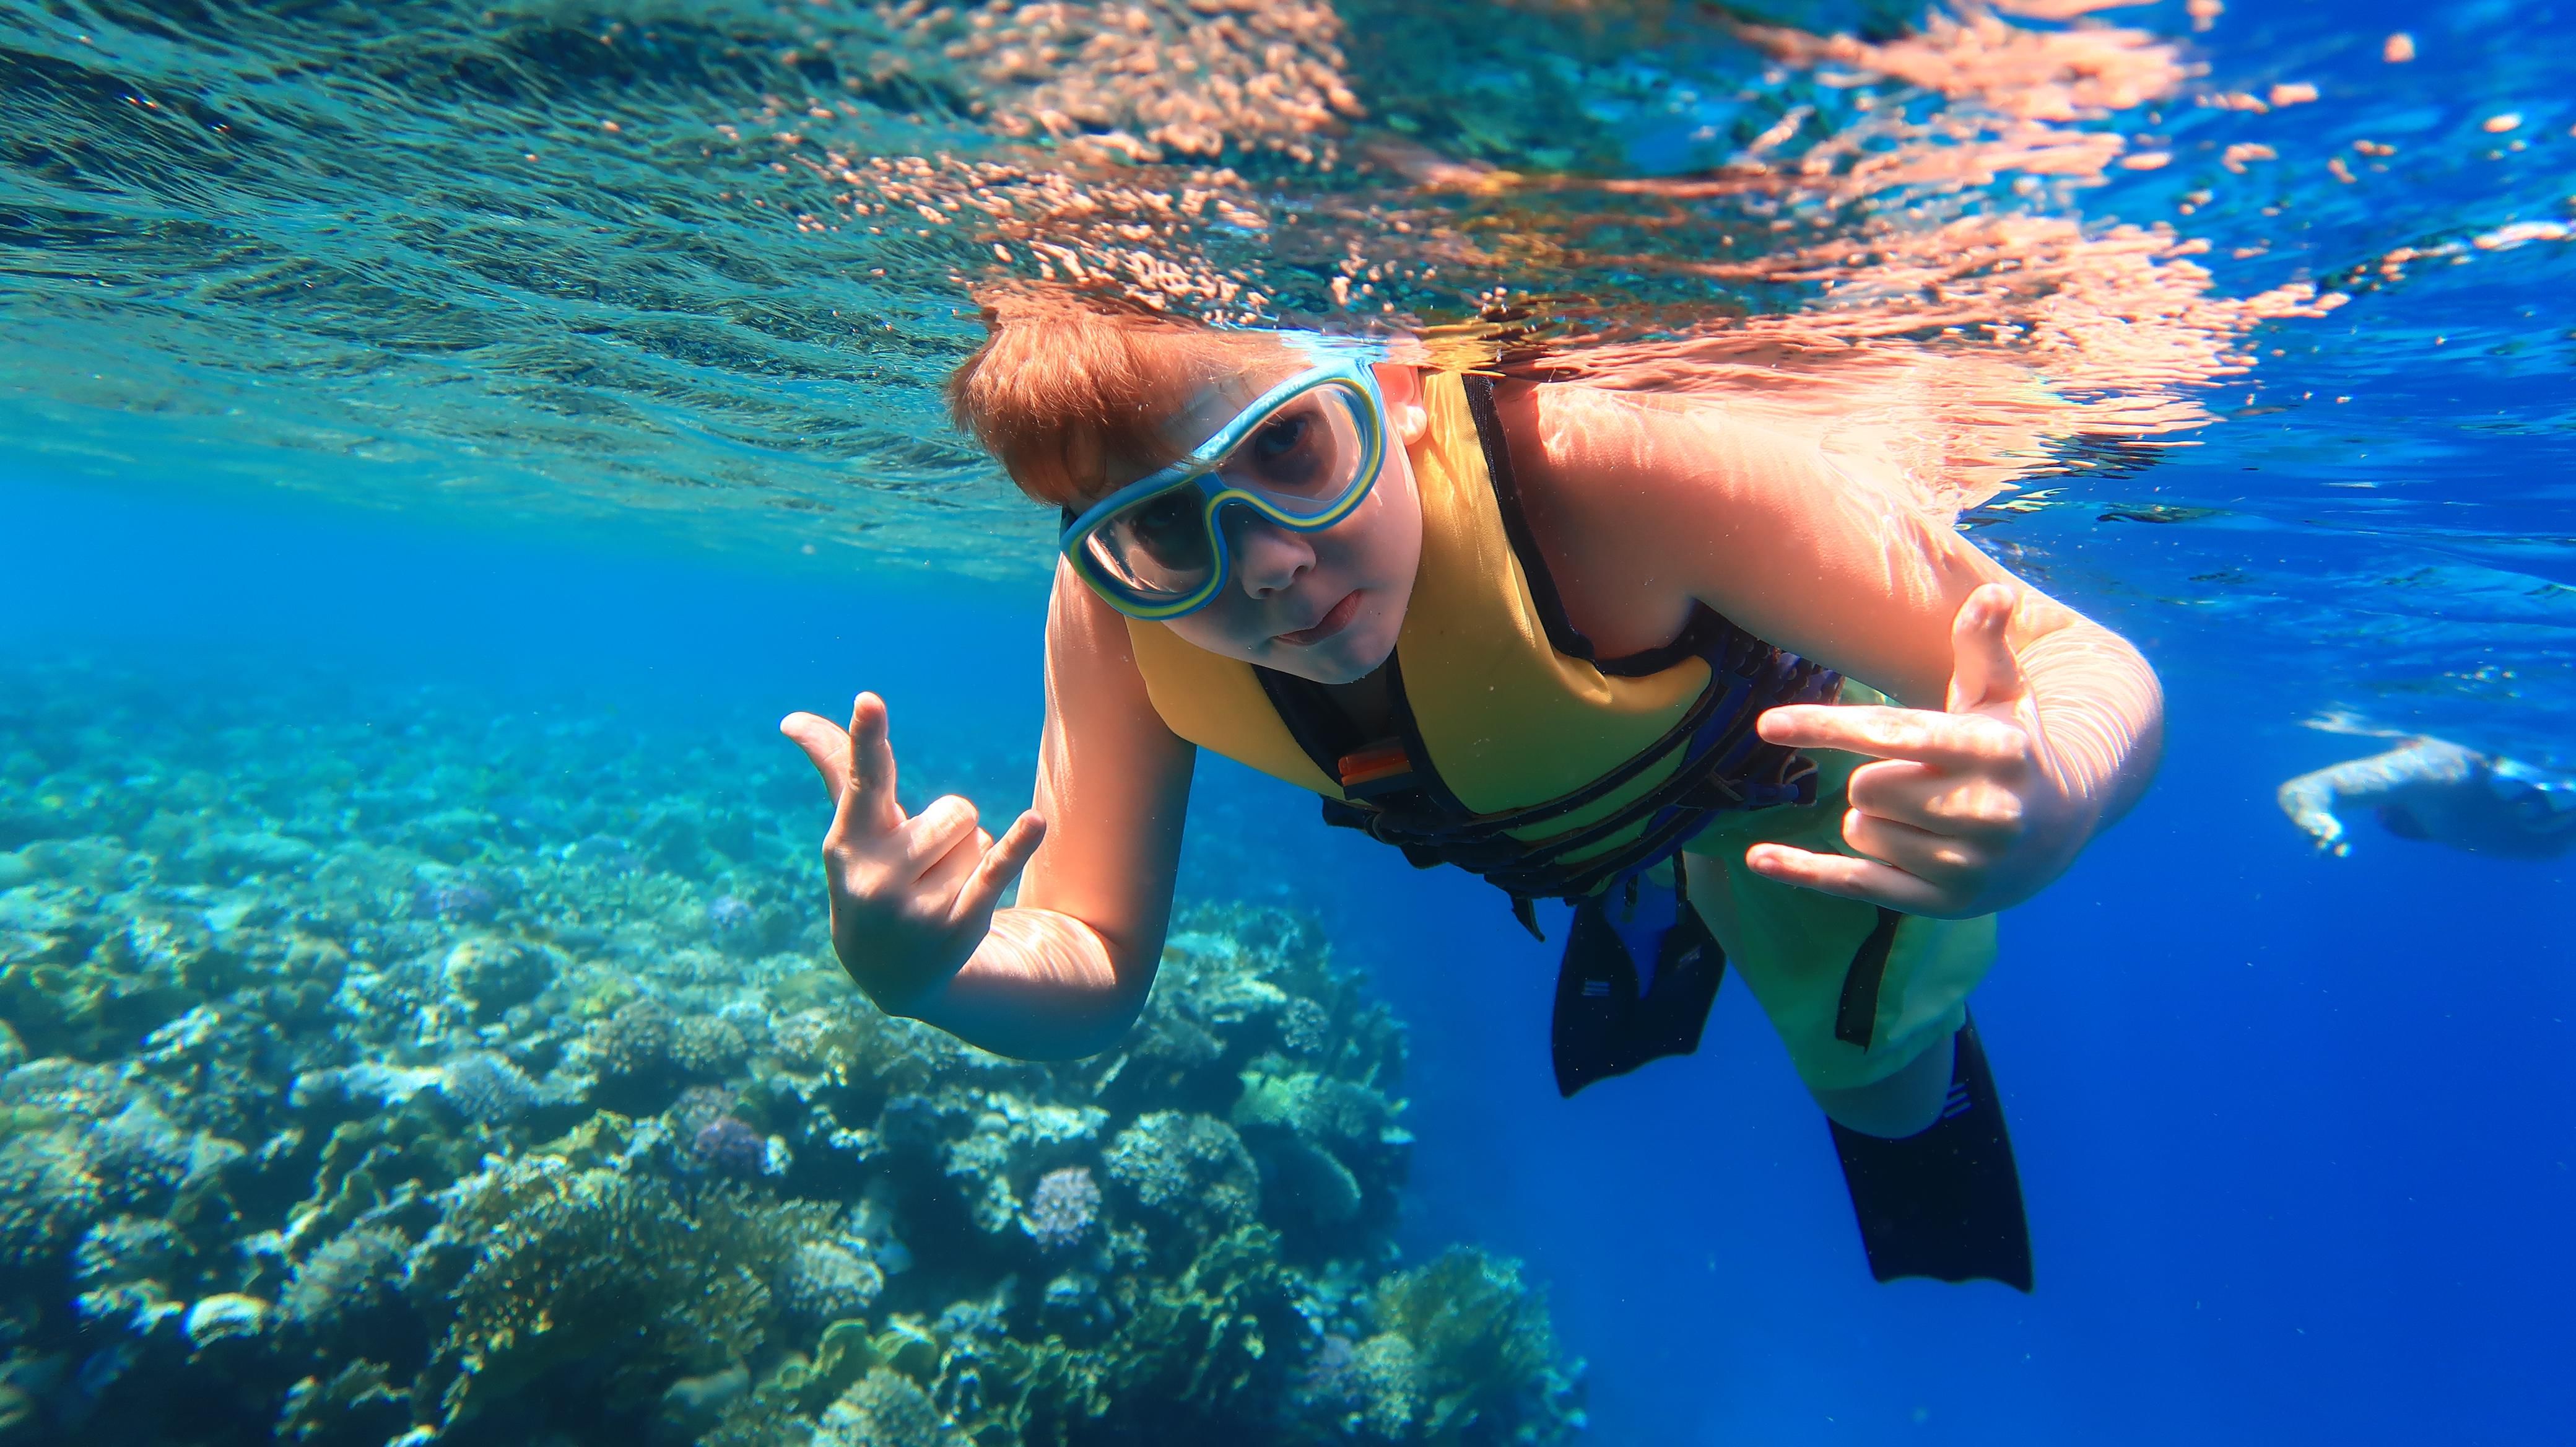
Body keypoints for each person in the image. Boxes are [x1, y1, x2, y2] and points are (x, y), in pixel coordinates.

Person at [781, 292, 2165, 1290]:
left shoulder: (1598, 464)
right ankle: (1647, 889)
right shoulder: (1116, 618)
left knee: (1883, 1102)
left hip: (1791, 796)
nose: (1264, 561)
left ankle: (1716, 914)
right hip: (1556, 803)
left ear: (1385, 389)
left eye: (1286, 450)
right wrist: (928, 969)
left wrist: (2055, 782)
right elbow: (1087, 956)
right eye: (1157, 527)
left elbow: (2073, 656)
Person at [2279, 736, 2576, 859]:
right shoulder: (2438, 773)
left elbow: (2305, 789)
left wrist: (2311, 815)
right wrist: (2311, 815)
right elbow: (2307, 789)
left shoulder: (2436, 769)